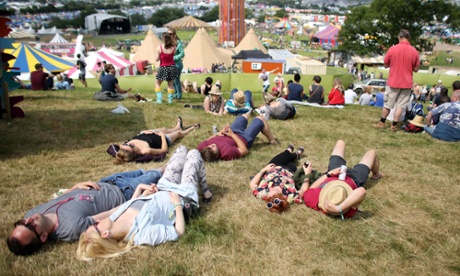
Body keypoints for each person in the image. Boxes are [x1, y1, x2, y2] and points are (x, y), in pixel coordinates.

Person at [76, 146, 213, 261]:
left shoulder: (114, 218)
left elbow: (132, 203)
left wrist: (141, 189)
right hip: (184, 197)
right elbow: (178, 232)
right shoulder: (142, 235)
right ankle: (205, 191)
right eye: (96, 225)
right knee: (194, 154)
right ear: (105, 234)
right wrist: (177, 204)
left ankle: (203, 189)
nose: (97, 220)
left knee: (182, 149)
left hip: (164, 187)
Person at [6, 181, 126, 256]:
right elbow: (110, 214)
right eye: (30, 226)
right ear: (43, 236)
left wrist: (74, 187)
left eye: (21, 222)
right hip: (123, 192)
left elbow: (57, 200)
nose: (28, 220)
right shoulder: (71, 228)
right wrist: (136, 198)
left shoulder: (32, 214)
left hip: (107, 181)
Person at [299, 140, 382, 219]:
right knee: (372, 153)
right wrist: (339, 208)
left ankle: (376, 173)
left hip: (334, 173)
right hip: (355, 178)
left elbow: (311, 189)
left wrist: (329, 174)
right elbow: (362, 191)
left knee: (340, 143)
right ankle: (376, 174)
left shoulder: (313, 199)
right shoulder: (347, 211)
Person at [374, 29, 420, 131]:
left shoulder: (392, 49)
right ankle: (393, 125)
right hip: (407, 82)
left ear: (399, 37)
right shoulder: (414, 51)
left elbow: (385, 64)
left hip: (393, 81)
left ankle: (382, 122)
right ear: (409, 38)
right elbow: (416, 68)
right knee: (400, 106)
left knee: (388, 104)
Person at [113, 117, 200, 164]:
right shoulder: (145, 150)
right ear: (133, 152)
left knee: (165, 128)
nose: (129, 144)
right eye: (130, 146)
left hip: (149, 133)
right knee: (178, 134)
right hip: (162, 139)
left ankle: (178, 126)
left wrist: (144, 132)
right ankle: (190, 129)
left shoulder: (123, 147)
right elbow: (164, 150)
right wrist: (162, 136)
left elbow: (118, 146)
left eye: (126, 144)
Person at [197, 112, 278, 161]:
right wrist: (232, 134)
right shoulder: (227, 153)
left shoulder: (203, 148)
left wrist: (218, 133)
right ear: (216, 155)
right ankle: (272, 141)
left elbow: (207, 140)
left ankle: (251, 111)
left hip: (231, 131)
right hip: (244, 138)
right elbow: (244, 150)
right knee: (260, 119)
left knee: (244, 116)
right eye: (212, 149)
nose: (211, 145)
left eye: (209, 147)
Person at [250, 145, 305, 213]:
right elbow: (303, 190)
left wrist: (263, 170)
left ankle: (291, 152)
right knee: (287, 159)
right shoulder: (291, 196)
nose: (272, 189)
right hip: (290, 170)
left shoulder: (262, 193)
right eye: (275, 191)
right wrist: (307, 174)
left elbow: (252, 183)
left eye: (269, 195)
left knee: (283, 157)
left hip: (274, 166)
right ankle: (293, 153)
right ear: (282, 197)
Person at [155, 32, 179, 104]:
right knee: (170, 84)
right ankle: (170, 100)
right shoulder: (174, 47)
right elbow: (172, 56)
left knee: (157, 83)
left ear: (162, 38)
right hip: (172, 67)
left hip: (163, 67)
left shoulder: (159, 48)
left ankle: (159, 99)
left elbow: (156, 59)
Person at [169, 28, 185, 100]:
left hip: (177, 64)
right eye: (167, 34)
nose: (169, 35)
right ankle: (175, 94)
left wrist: (174, 58)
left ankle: (179, 95)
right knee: (172, 80)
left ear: (174, 34)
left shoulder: (178, 43)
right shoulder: (168, 43)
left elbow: (182, 54)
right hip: (170, 64)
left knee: (176, 80)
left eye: (170, 34)